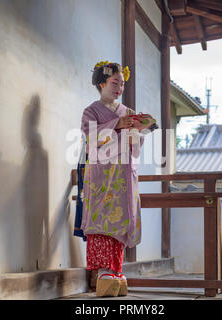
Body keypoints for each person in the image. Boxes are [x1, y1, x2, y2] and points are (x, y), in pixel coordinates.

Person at [79, 61, 145, 297]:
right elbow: (91, 136)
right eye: (115, 83)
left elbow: (135, 146)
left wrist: (137, 130)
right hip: (102, 175)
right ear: (101, 83)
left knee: (121, 218)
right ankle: (104, 271)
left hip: (124, 174)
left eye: (122, 84)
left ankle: (117, 270)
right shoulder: (92, 111)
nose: (119, 88)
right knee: (103, 217)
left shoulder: (128, 111)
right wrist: (117, 124)